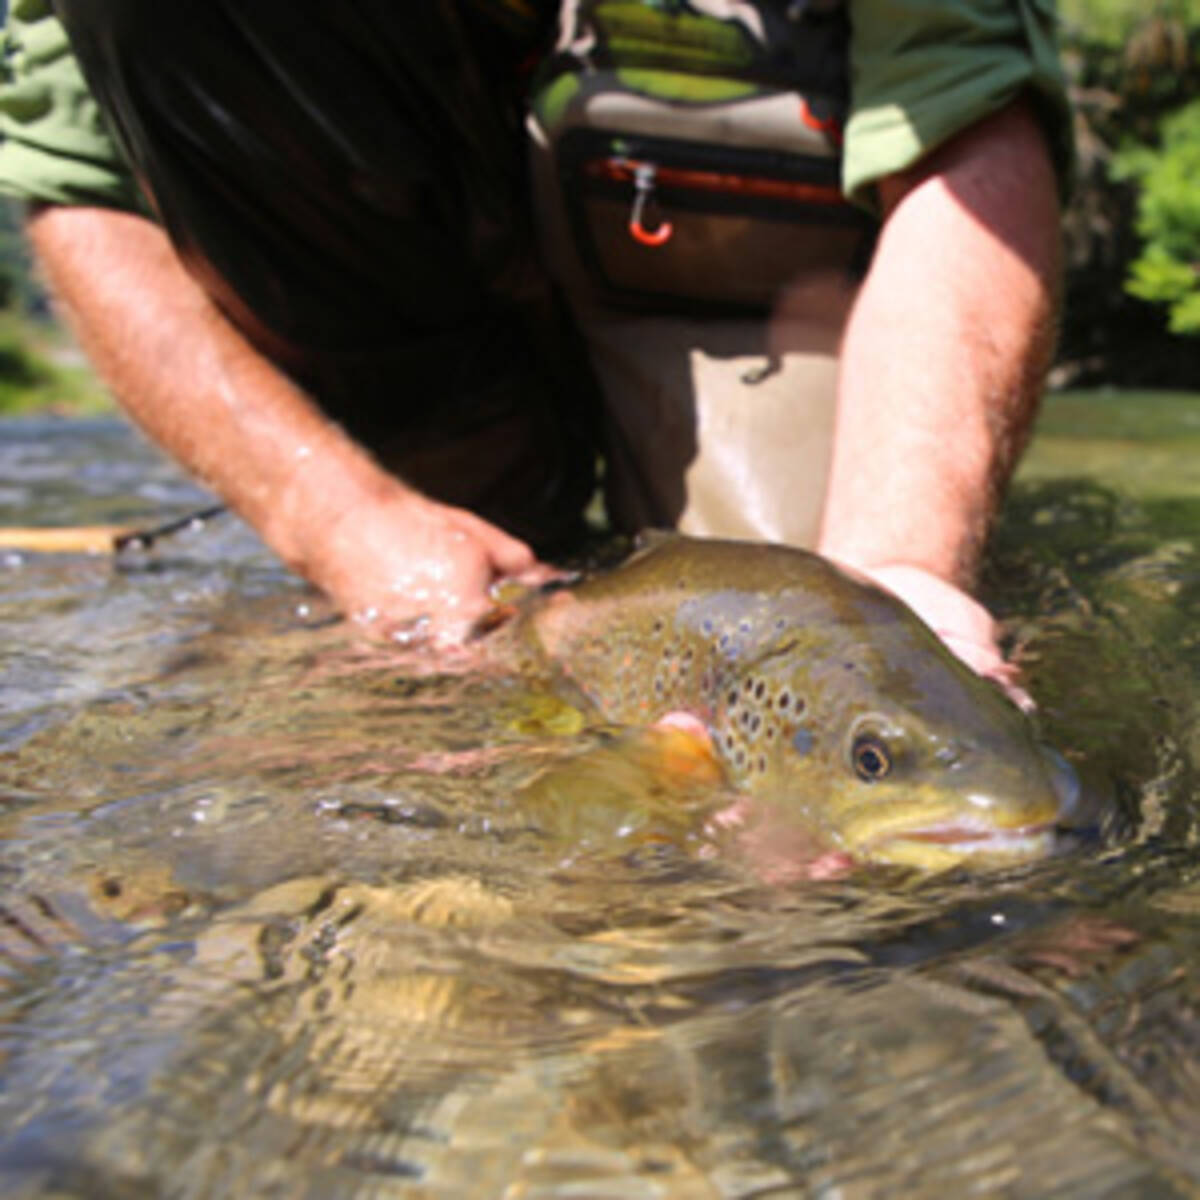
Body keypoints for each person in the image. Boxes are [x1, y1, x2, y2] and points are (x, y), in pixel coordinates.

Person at [0, 1, 1070, 701]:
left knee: (797, 645)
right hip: (391, 260)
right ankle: (463, 520)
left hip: (726, 248)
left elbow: (966, 122)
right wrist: (331, 514)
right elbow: (76, 176)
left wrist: (898, 571)